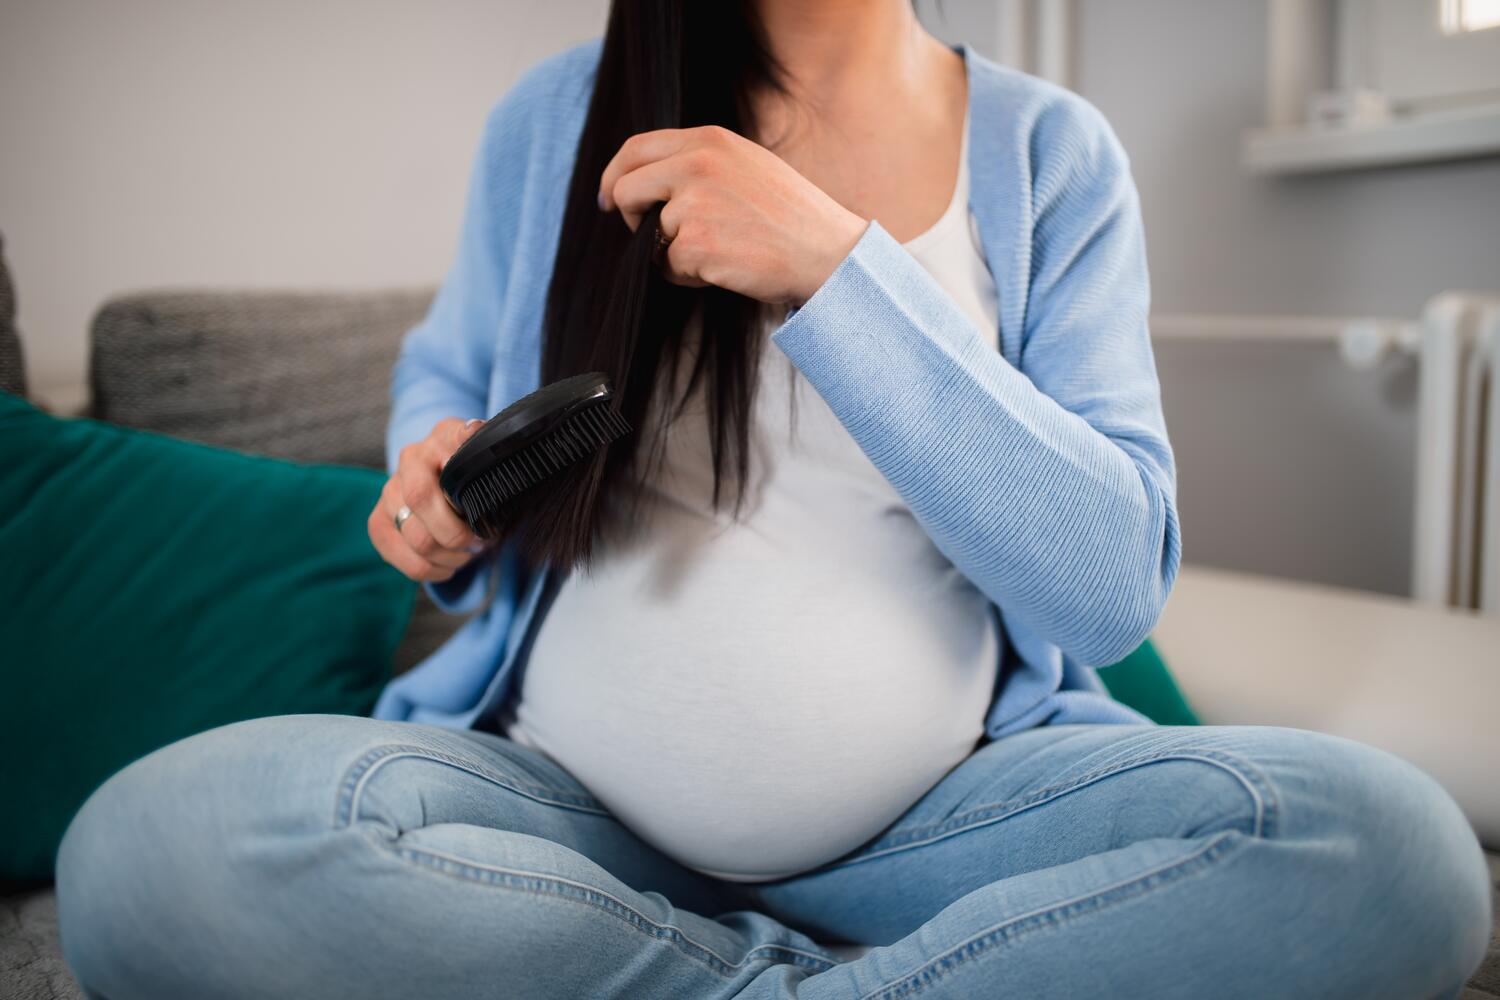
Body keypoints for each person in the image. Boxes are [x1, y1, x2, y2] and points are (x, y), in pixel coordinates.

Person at [56, 2, 1491, 997]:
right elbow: (436, 430)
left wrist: (833, 269)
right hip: (559, 814)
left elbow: (1107, 587)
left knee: (1394, 858)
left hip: (950, 819)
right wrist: (431, 508)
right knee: (142, 854)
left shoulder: (1055, 157)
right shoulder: (555, 121)